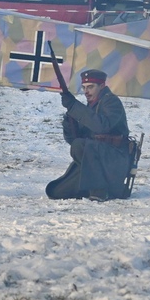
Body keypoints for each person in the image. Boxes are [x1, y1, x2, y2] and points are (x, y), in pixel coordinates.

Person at [46, 69, 132, 201]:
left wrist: (75, 107)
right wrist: (70, 119)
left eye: (90, 87)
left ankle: (101, 190)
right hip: (93, 160)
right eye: (84, 87)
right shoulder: (90, 106)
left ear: (102, 86)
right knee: (55, 192)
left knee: (80, 145)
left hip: (114, 158)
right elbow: (73, 140)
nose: (86, 91)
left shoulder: (111, 102)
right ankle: (97, 186)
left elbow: (102, 126)